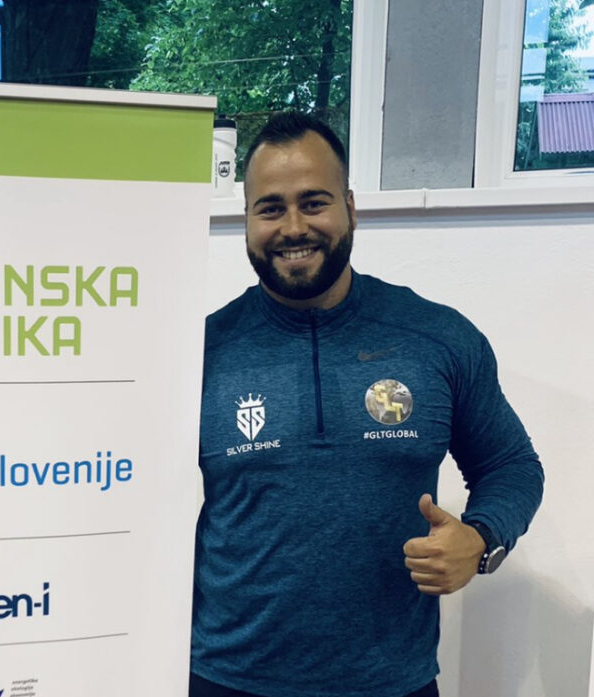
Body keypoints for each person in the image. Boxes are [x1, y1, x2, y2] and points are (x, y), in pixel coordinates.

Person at [190, 112, 544, 697]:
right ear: (246, 220)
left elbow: (511, 465)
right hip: (226, 678)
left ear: (351, 207)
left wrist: (481, 539)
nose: (293, 227)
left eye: (314, 202)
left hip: (393, 682)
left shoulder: (437, 338)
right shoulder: (197, 352)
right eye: (270, 208)